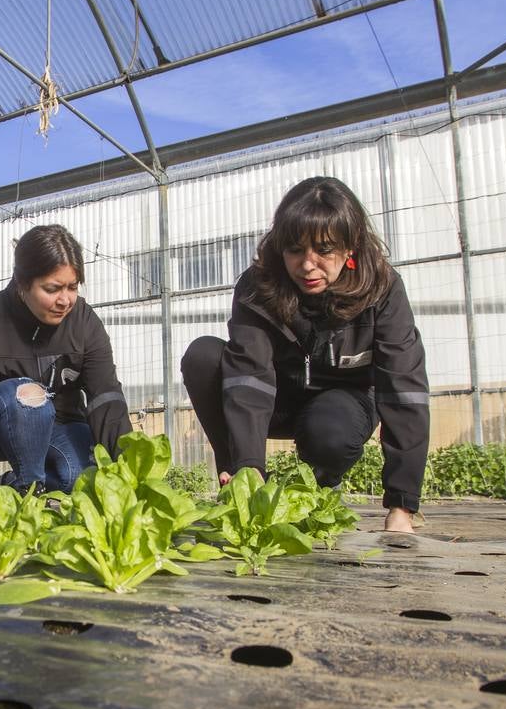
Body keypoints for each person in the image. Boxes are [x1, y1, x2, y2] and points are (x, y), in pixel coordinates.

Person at [180, 177, 429, 532]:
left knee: (329, 430)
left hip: (345, 402)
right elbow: (249, 376)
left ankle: (320, 487)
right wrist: (249, 466)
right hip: (277, 397)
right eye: (295, 250)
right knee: (203, 355)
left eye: (324, 250)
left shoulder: (382, 289)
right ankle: (237, 474)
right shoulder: (258, 286)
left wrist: (401, 506)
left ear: (350, 247)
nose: (308, 265)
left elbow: (404, 388)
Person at [0, 224, 132, 497]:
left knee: (81, 481)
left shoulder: (84, 322)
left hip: (60, 424)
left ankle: (13, 483)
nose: (65, 300)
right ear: (22, 283)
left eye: (72, 287)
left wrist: (125, 473)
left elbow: (105, 396)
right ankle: (30, 491)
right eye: (52, 288)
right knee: (28, 395)